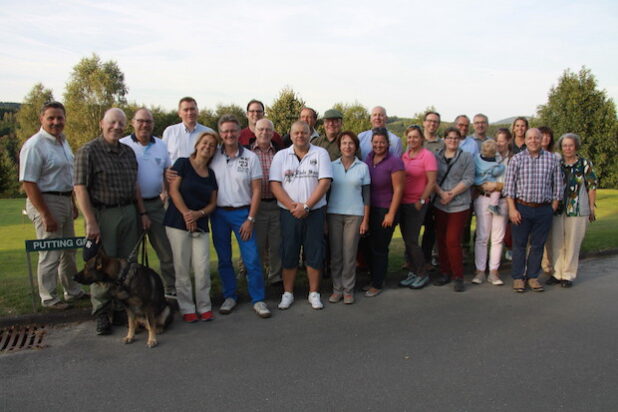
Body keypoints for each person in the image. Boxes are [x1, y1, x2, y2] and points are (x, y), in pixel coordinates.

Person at [74, 108, 150, 335]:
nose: (116, 127)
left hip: (128, 211)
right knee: (102, 266)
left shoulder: (127, 152)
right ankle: (102, 313)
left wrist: (143, 213)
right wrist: (90, 221)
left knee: (127, 265)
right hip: (102, 215)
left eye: (120, 124)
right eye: (112, 122)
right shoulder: (88, 151)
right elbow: (80, 188)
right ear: (101, 124)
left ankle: (121, 308)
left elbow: (135, 185)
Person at [19, 101, 87, 310]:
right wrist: (45, 214)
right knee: (50, 252)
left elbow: (65, 176)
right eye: (51, 118)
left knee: (69, 250)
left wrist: (72, 203)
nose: (56, 122)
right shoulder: (35, 145)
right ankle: (48, 297)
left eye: (60, 118)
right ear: (42, 119)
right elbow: (29, 182)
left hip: (64, 200)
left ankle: (72, 290)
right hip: (45, 201)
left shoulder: (62, 142)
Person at [210, 114, 271, 318]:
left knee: (252, 259)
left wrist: (251, 219)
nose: (229, 134)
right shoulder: (213, 156)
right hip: (218, 214)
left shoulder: (250, 157)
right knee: (224, 259)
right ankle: (230, 296)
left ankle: (258, 299)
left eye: (233, 131)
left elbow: (256, 191)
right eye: (225, 131)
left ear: (240, 132)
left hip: (243, 214)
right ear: (220, 133)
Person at [270, 121, 332, 310]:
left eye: (304, 132)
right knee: (289, 251)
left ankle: (314, 293)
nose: (300, 136)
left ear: (309, 134)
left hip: (314, 212)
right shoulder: (281, 156)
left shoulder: (320, 153)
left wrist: (306, 206)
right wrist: (293, 207)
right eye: (296, 133)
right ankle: (287, 293)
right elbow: (275, 184)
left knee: (314, 252)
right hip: (289, 213)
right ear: (290, 134)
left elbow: (325, 182)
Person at [120, 108, 176, 298]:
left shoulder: (160, 145)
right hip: (130, 206)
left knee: (165, 250)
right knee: (131, 253)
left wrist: (166, 193)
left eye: (148, 122)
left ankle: (170, 288)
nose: (145, 125)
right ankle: (133, 291)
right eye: (141, 121)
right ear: (133, 123)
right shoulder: (123, 144)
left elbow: (167, 173)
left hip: (155, 203)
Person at [164, 132, 218, 322]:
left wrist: (199, 214)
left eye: (211, 145)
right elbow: (173, 190)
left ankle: (204, 306)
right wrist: (187, 214)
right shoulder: (182, 163)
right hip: (177, 222)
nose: (207, 147)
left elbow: (212, 203)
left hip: (201, 224)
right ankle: (187, 308)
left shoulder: (211, 174)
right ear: (197, 144)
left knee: (202, 268)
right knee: (182, 268)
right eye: (205, 143)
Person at [504, 128, 563, 293]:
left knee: (538, 245)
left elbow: (558, 185)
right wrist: (512, 209)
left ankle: (532, 277)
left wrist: (553, 206)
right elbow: (509, 188)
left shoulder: (552, 160)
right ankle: (518, 278)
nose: (533, 141)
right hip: (521, 208)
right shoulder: (516, 159)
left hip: (543, 209)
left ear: (541, 139)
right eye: (530, 138)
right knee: (519, 245)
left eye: (536, 138)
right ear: (526, 140)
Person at [548, 133, 597, 288]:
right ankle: (557, 273)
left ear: (576, 146)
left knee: (572, 243)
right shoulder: (557, 163)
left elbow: (592, 186)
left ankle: (568, 275)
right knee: (556, 242)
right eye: (564, 145)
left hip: (577, 209)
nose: (567, 148)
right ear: (561, 147)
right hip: (557, 208)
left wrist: (591, 207)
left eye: (570, 145)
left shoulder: (584, 163)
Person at [327, 131, 370, 305]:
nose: (347, 146)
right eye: (344, 143)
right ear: (339, 146)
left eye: (351, 143)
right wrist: (323, 219)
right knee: (336, 254)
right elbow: (326, 192)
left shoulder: (363, 167)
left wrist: (366, 220)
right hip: (334, 214)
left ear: (356, 147)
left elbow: (367, 196)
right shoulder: (331, 166)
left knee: (350, 254)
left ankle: (348, 289)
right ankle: (337, 289)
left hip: (355, 215)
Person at [363, 127, 404, 297]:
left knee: (380, 248)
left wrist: (391, 214)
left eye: (382, 142)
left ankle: (377, 284)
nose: (378, 145)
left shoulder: (394, 161)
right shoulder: (368, 158)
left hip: (386, 209)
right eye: (375, 142)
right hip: (369, 209)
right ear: (371, 143)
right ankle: (375, 278)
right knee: (368, 246)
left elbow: (399, 189)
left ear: (388, 143)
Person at [433, 127, 475, 292]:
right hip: (440, 203)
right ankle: (445, 272)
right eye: (449, 138)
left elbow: (469, 178)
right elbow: (431, 177)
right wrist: (442, 193)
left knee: (452, 240)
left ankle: (458, 276)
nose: (452, 141)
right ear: (444, 139)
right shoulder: (436, 157)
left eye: (456, 138)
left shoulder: (466, 157)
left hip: (459, 204)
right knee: (442, 240)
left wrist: (451, 194)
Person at [398, 125, 437, 289]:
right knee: (407, 241)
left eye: (415, 137)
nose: (412, 140)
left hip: (417, 203)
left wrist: (421, 200)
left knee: (412, 241)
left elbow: (432, 182)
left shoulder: (427, 156)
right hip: (403, 202)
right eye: (410, 137)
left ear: (421, 138)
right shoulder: (405, 156)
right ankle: (413, 271)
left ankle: (422, 273)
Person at [472, 129, 512, 286]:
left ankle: (494, 271)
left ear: (508, 141)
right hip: (484, 199)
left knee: (498, 238)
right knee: (482, 237)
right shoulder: (485, 157)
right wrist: (483, 185)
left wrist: (499, 185)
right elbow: (475, 175)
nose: (500, 143)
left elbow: (517, 180)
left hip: (502, 200)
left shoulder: (513, 158)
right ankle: (480, 270)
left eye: (503, 140)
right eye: (498, 141)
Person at [250, 118, 282, 285]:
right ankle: (257, 279)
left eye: (268, 130)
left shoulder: (278, 153)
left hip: (276, 204)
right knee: (258, 246)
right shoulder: (248, 153)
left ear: (272, 133)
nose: (264, 132)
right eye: (261, 129)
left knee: (276, 245)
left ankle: (275, 277)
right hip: (257, 205)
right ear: (255, 131)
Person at [163, 97, 215, 163]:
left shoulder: (209, 133)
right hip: (176, 172)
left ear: (197, 110)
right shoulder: (170, 131)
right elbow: (163, 156)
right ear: (179, 113)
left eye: (192, 109)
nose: (189, 113)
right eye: (186, 110)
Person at [474, 140, 505, 216]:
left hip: (478, 182)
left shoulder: (477, 158)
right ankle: (493, 205)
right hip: (488, 182)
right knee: (496, 191)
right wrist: (502, 166)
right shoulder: (492, 164)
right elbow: (495, 172)